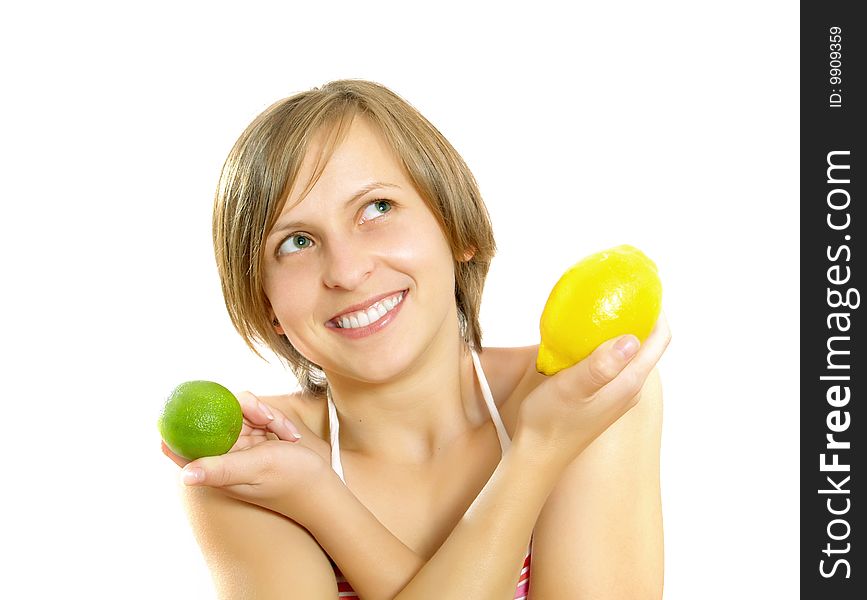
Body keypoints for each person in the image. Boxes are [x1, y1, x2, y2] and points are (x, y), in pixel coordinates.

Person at [162, 79, 671, 599]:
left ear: (456, 229)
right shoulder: (251, 462)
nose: (348, 270)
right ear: (266, 304)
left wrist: (321, 502)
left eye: (377, 208)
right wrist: (539, 451)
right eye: (296, 242)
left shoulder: (585, 396)